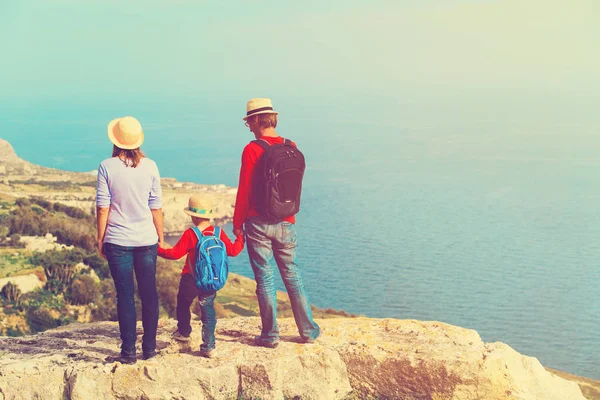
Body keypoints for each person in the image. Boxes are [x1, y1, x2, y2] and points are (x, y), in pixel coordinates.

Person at [233, 98, 320, 348]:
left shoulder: (252, 149)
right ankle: (308, 331)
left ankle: (270, 335)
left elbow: (245, 190)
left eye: (250, 120)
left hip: (258, 222)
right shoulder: (291, 146)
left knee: (265, 278)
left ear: (258, 120)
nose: (248, 125)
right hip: (286, 220)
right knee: (293, 274)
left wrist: (238, 224)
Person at [96, 116, 164, 364]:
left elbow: (103, 207)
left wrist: (100, 238)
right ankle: (150, 349)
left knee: (124, 295)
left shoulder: (106, 166)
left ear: (115, 140)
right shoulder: (151, 166)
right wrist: (161, 237)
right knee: (149, 294)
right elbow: (155, 206)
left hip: (117, 240)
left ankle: (128, 352)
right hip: (146, 239)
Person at [158, 196, 244, 358]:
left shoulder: (191, 234)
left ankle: (184, 332)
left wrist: (159, 250)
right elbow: (233, 251)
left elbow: (175, 254)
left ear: (193, 216)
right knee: (208, 308)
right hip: (211, 279)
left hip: (191, 277)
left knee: (183, 303)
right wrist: (241, 238)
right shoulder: (218, 232)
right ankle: (209, 346)